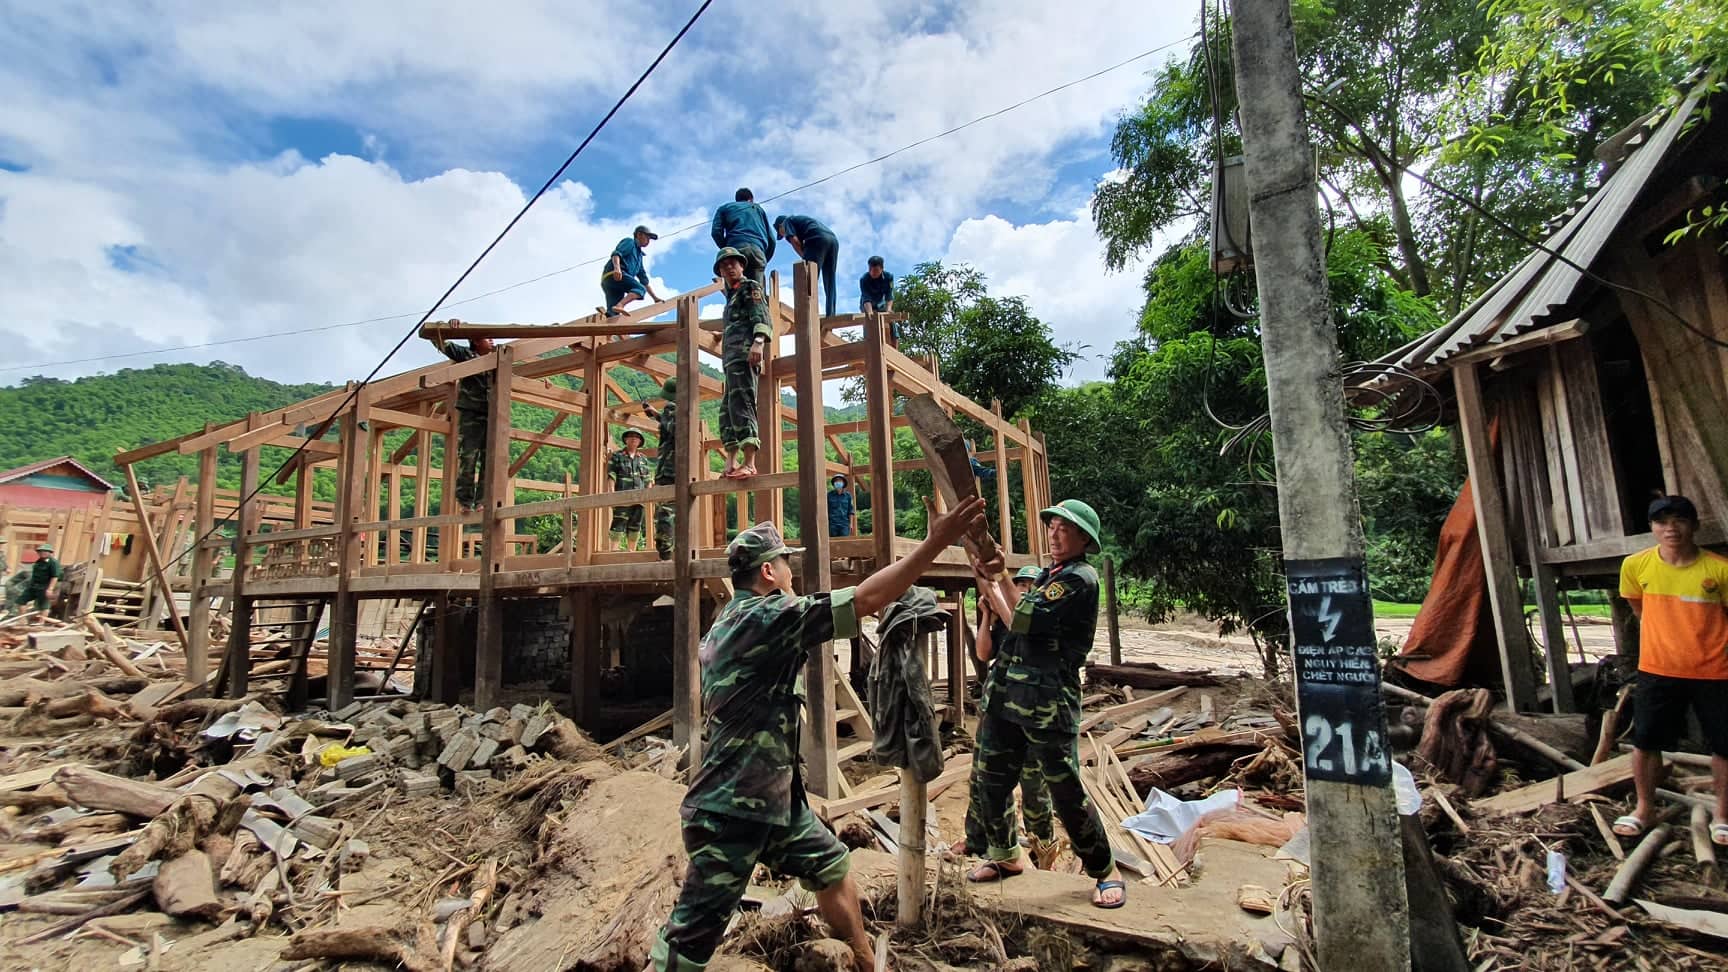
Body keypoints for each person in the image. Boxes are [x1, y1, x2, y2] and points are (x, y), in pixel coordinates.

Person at [652, 496, 989, 972]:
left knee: (831, 866)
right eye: (785, 563)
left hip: (771, 802)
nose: (791, 572)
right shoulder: (768, 619)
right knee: (689, 941)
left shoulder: (731, 620)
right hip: (732, 809)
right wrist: (936, 542)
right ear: (769, 573)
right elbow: (867, 599)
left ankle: (864, 960)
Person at [964, 499, 1126, 908]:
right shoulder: (1049, 576)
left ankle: (1105, 869)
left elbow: (1022, 619)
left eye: (1064, 528)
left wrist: (998, 577)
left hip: (1047, 704)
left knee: (1065, 790)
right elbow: (1008, 614)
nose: (1054, 533)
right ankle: (1004, 856)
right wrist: (990, 574)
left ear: (1085, 539)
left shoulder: (1078, 580)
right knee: (990, 777)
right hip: (1006, 698)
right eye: (1051, 526)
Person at [1613, 495, 1728, 845]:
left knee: (1725, 744)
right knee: (1646, 740)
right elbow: (1638, 608)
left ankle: (1723, 815)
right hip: (1657, 669)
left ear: (1694, 525)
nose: (1670, 528)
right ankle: (1645, 808)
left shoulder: (1719, 569)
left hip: (1716, 670)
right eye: (1662, 522)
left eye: (1679, 520)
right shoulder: (1636, 566)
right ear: (1652, 528)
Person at [956, 564, 1056, 864]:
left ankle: (1043, 849)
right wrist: (987, 615)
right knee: (982, 779)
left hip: (1030, 714)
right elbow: (984, 653)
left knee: (1034, 788)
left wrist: (996, 596)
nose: (1023, 589)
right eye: (1020, 583)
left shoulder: (1040, 620)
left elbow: (1019, 625)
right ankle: (978, 841)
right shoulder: (1002, 620)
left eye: (1028, 585)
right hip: (997, 709)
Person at [714, 247, 771, 480]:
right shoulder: (731, 296)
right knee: (727, 410)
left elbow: (761, 314)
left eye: (733, 263)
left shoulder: (750, 287)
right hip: (731, 359)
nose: (729, 267)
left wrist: (758, 342)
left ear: (742, 266)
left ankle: (749, 463)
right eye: (724, 265)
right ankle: (731, 462)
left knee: (743, 403)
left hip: (745, 354)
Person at [427, 330, 495, 513]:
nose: (491, 339)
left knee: (490, 459)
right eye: (487, 337)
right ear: (475, 341)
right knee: (468, 457)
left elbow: (517, 376)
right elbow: (436, 339)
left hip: (493, 414)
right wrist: (449, 327)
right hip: (471, 413)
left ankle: (482, 501)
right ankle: (465, 501)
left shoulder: (499, 360)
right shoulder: (466, 355)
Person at [773, 214, 839, 319]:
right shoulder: (802, 220)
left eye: (781, 233)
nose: (784, 236)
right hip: (833, 240)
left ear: (780, 226)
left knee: (808, 278)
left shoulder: (787, 222)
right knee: (830, 279)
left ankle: (807, 313)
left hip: (816, 238)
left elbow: (794, 241)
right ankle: (831, 315)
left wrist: (805, 258)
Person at [710, 188, 775, 288]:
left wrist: (728, 251)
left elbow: (716, 232)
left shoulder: (724, 208)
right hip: (757, 251)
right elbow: (772, 240)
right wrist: (764, 257)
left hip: (736, 250)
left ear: (737, 200)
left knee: (734, 293)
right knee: (756, 292)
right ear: (751, 199)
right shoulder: (757, 209)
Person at [644, 379, 678, 560]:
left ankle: (665, 555)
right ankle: (676, 554)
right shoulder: (686, 410)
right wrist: (657, 415)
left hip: (668, 471)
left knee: (664, 515)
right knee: (679, 515)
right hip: (681, 471)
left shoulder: (671, 408)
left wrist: (662, 415)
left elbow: (673, 428)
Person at [602, 225, 663, 317]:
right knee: (640, 289)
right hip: (616, 274)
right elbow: (616, 254)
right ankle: (621, 305)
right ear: (639, 234)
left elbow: (644, 280)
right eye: (647, 237)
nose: (648, 241)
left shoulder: (639, 257)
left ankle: (609, 322)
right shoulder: (630, 242)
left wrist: (655, 298)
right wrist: (617, 268)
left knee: (613, 313)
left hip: (612, 283)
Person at [607, 428, 653, 550]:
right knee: (618, 522)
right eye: (631, 436)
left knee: (635, 524)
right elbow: (612, 474)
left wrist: (648, 495)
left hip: (639, 497)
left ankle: (631, 551)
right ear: (626, 440)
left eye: (636, 437)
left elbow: (648, 479)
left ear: (640, 441)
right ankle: (614, 550)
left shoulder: (643, 458)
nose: (633, 438)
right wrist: (611, 491)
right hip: (622, 495)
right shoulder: (617, 456)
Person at [11, 543, 62, 616]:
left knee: (43, 606)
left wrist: (50, 589)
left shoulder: (53, 563)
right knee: (21, 601)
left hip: (44, 587)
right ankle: (22, 619)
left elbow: (54, 577)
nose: (42, 553)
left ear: (50, 552)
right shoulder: (38, 562)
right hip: (34, 586)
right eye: (40, 551)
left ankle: (41, 623)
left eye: (45, 551)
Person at [859, 256, 896, 343]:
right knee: (868, 322)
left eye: (875, 270)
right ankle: (868, 343)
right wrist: (870, 313)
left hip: (880, 304)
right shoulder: (864, 279)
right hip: (867, 305)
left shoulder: (889, 277)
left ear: (882, 269)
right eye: (870, 269)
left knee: (891, 322)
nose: (872, 272)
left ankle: (894, 346)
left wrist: (889, 310)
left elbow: (889, 295)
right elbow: (866, 298)